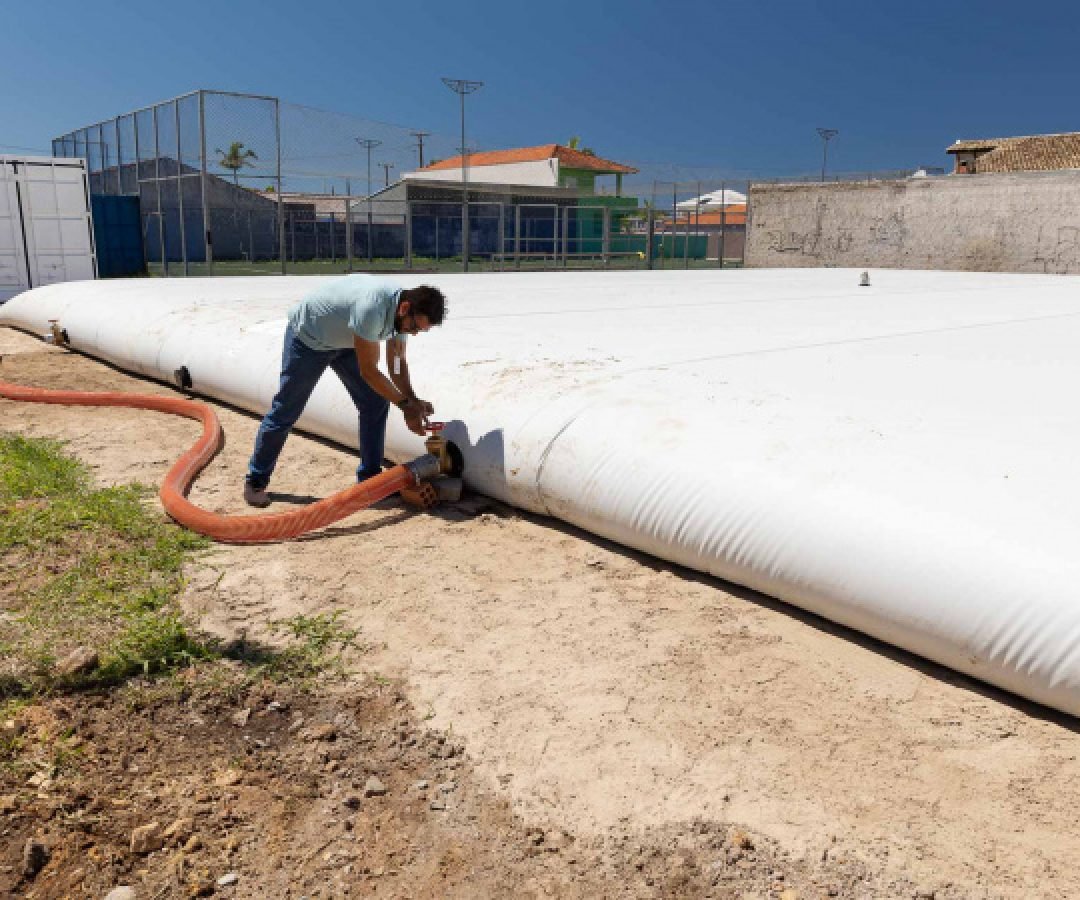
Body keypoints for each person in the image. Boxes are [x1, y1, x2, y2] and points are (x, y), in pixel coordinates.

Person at [243, 275, 446, 508]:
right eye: (414, 327)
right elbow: (369, 371)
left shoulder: (403, 313)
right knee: (286, 410)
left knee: (375, 403)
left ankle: (369, 482)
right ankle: (255, 480)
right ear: (405, 308)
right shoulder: (372, 308)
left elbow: (397, 364)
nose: (413, 333)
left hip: (346, 342)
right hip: (309, 340)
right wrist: (404, 407)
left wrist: (412, 399)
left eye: (420, 330)